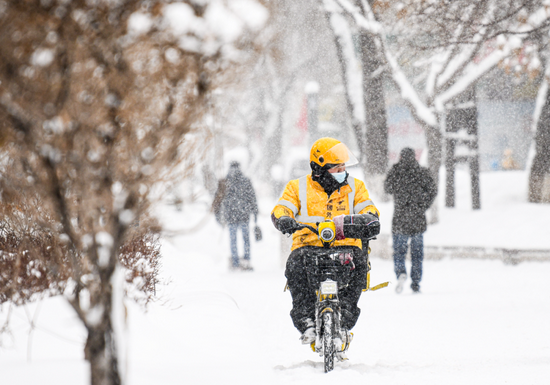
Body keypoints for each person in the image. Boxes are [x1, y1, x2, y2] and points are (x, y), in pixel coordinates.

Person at [271, 137, 380, 356]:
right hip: (307, 247)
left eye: (343, 166)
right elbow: (282, 208)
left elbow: (369, 209)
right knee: (294, 267)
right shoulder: (297, 187)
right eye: (336, 167)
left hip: (346, 247)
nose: (342, 171)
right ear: (319, 168)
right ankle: (306, 321)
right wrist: (284, 218)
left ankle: (346, 319)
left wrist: (366, 219)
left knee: (360, 265)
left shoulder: (355, 187)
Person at [384, 148, 437, 294]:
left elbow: (387, 188)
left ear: (400, 157)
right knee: (417, 253)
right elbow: (433, 190)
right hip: (417, 219)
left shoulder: (396, 172)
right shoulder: (422, 172)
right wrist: (422, 205)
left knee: (399, 251)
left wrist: (396, 173)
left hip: (400, 219)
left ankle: (401, 272)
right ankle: (416, 281)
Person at [213, 161, 258, 271]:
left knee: (233, 240)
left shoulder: (225, 182)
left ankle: (235, 262)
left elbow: (217, 201)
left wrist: (218, 217)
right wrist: (255, 213)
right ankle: (246, 261)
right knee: (245, 239)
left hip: (231, 215)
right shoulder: (245, 181)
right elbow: (252, 198)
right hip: (244, 215)